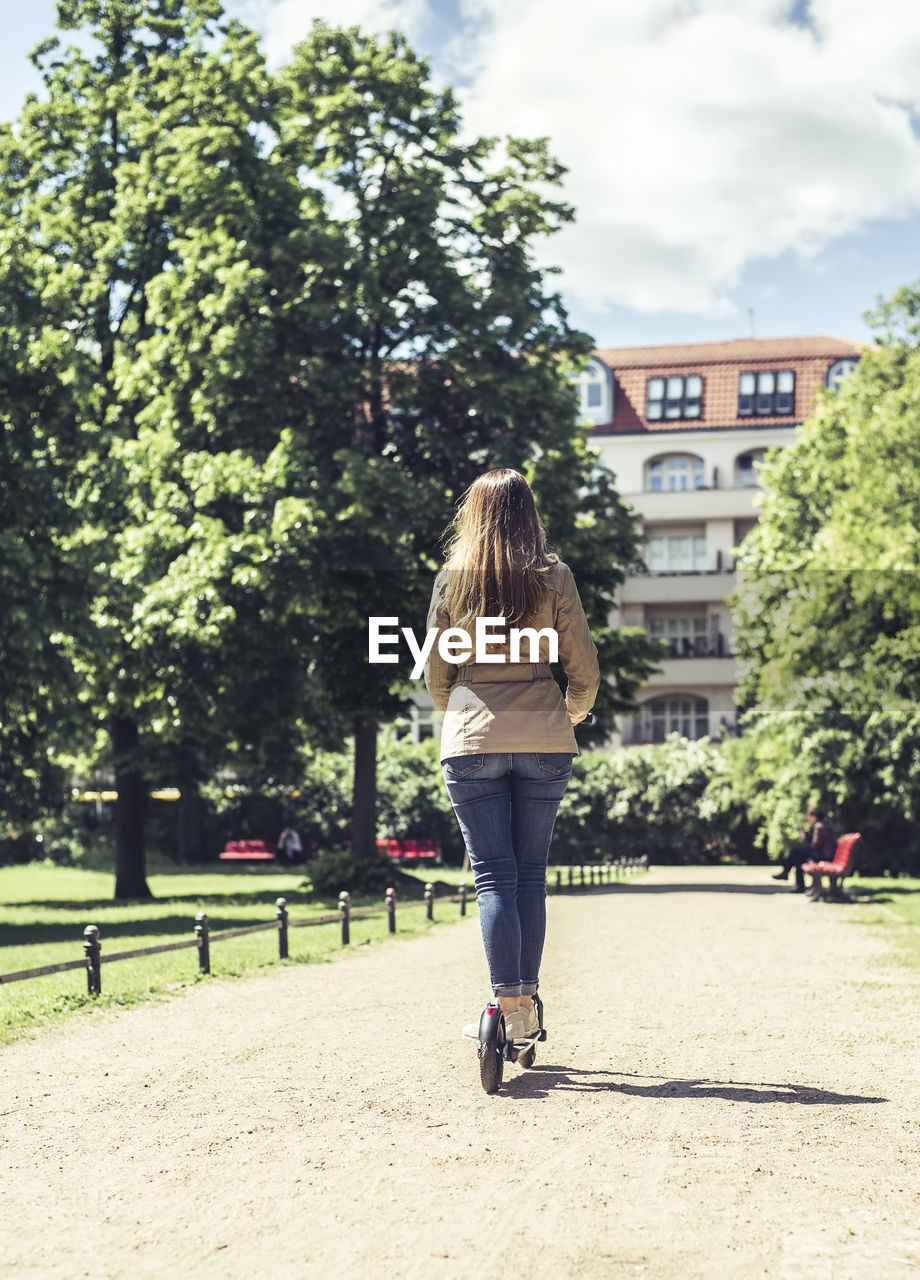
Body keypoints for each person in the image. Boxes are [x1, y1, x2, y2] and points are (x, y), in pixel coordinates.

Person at [424, 468, 600, 1041]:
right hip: (543, 738)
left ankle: (508, 1003)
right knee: (530, 875)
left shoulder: (452, 579)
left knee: (493, 878)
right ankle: (524, 1004)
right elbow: (584, 671)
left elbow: (437, 677)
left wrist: (468, 712)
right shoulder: (554, 578)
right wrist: (566, 715)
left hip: (472, 739)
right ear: (529, 514)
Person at [772, 806, 836, 892]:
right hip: (825, 854)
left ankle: (786, 873)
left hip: (824, 856)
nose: (807, 818)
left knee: (796, 850)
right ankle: (798, 885)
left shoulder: (820, 827)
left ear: (814, 816)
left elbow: (814, 846)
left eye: (808, 816)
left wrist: (804, 837)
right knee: (798, 858)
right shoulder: (825, 824)